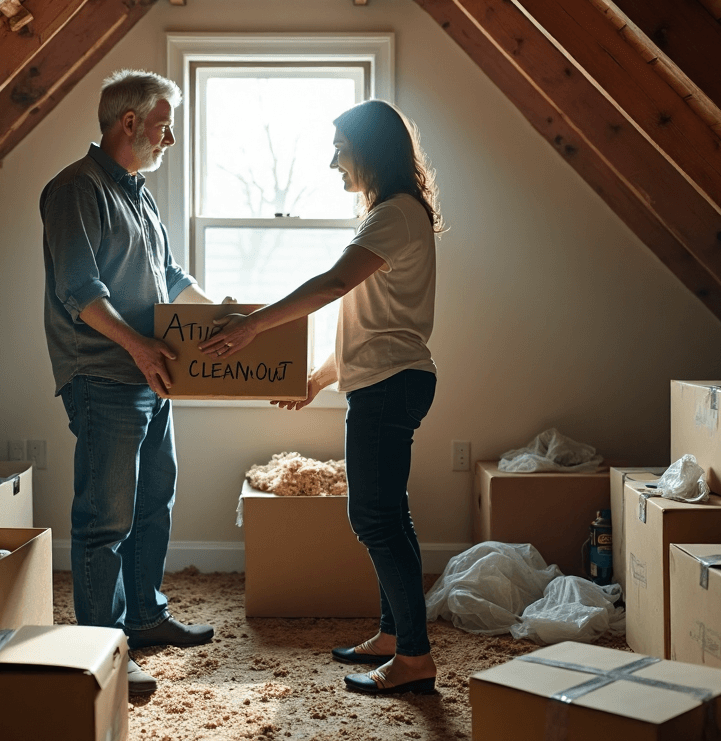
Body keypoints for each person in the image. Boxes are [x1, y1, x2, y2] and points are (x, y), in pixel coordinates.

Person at [199, 99, 444, 695]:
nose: (332, 161)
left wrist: (253, 325)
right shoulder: (387, 215)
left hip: (390, 386)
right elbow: (369, 321)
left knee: (375, 518)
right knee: (388, 516)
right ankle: (393, 636)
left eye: (340, 148)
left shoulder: (396, 213)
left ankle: (414, 657)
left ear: (369, 150)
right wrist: (317, 379)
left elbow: (334, 285)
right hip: (385, 380)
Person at [40, 69, 222, 696]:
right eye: (164, 125)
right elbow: (81, 293)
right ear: (129, 122)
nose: (169, 139)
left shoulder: (138, 194)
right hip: (104, 375)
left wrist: (223, 319)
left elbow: (170, 278)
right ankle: (104, 648)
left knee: (153, 504)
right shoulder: (75, 190)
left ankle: (144, 616)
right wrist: (143, 348)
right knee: (104, 520)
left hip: (153, 373)